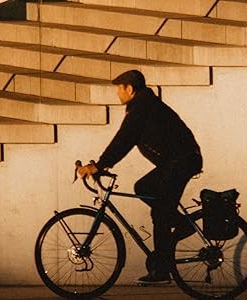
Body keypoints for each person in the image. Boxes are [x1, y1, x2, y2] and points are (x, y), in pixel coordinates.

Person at [77, 70, 202, 284]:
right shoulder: (143, 105)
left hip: (182, 160)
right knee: (143, 187)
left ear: (130, 89)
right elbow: (125, 139)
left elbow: (124, 140)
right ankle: (179, 224)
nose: (117, 93)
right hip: (176, 160)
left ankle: (162, 270)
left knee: (160, 212)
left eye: (119, 88)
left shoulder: (142, 107)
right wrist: (103, 164)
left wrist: (99, 165)